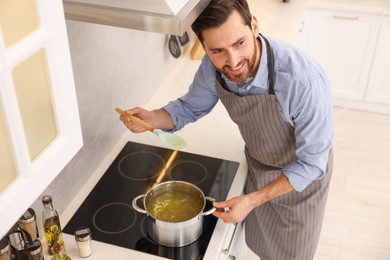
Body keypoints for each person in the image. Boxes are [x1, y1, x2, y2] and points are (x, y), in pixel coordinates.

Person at [119, 0, 334, 259]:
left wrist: (252, 200)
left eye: (239, 43)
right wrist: (153, 118)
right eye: (218, 51)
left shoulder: (301, 80)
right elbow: (190, 107)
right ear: (204, 47)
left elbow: (312, 163)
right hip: (258, 165)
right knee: (261, 246)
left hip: (301, 184)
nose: (232, 62)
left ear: (254, 25)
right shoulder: (213, 67)